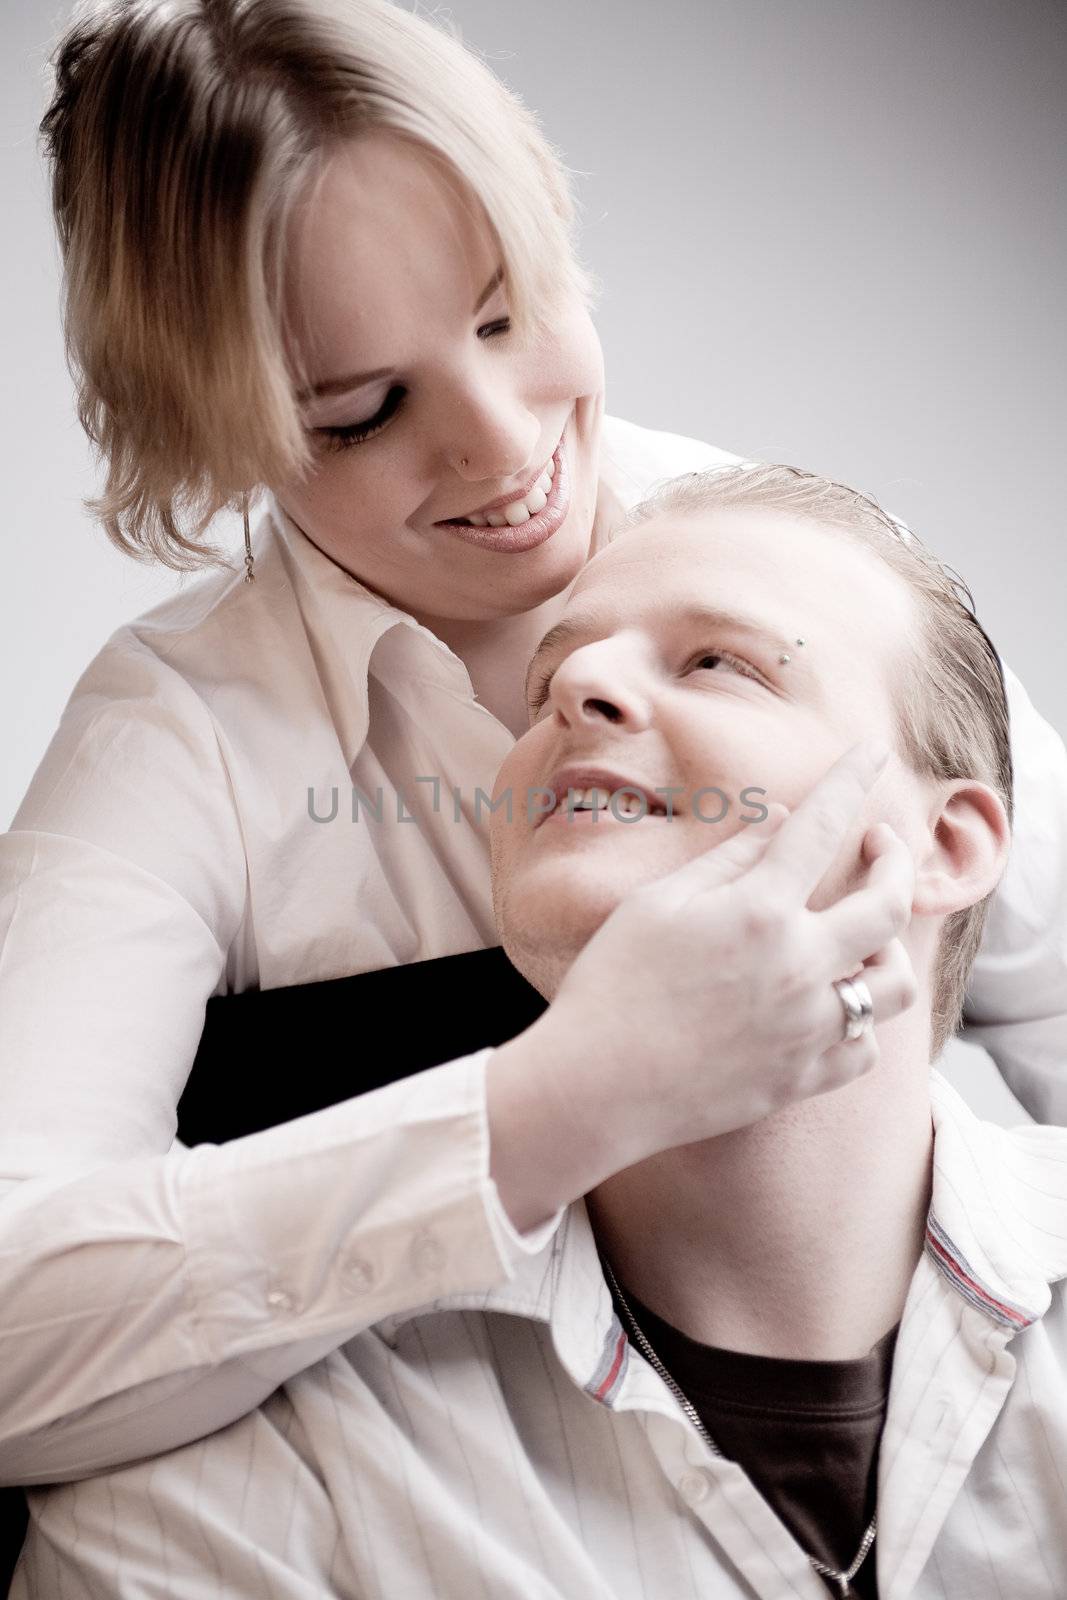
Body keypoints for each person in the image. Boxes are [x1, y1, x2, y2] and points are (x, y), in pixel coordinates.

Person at [1, 0, 1064, 1498]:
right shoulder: (171, 752)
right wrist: (560, 1102)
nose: (503, 446)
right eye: (360, 413)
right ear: (216, 430)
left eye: (507, 314)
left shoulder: (809, 578)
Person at [14, 462, 1062, 1600]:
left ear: (948, 845)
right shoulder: (254, 1475)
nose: (575, 690)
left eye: (720, 661)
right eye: (546, 682)